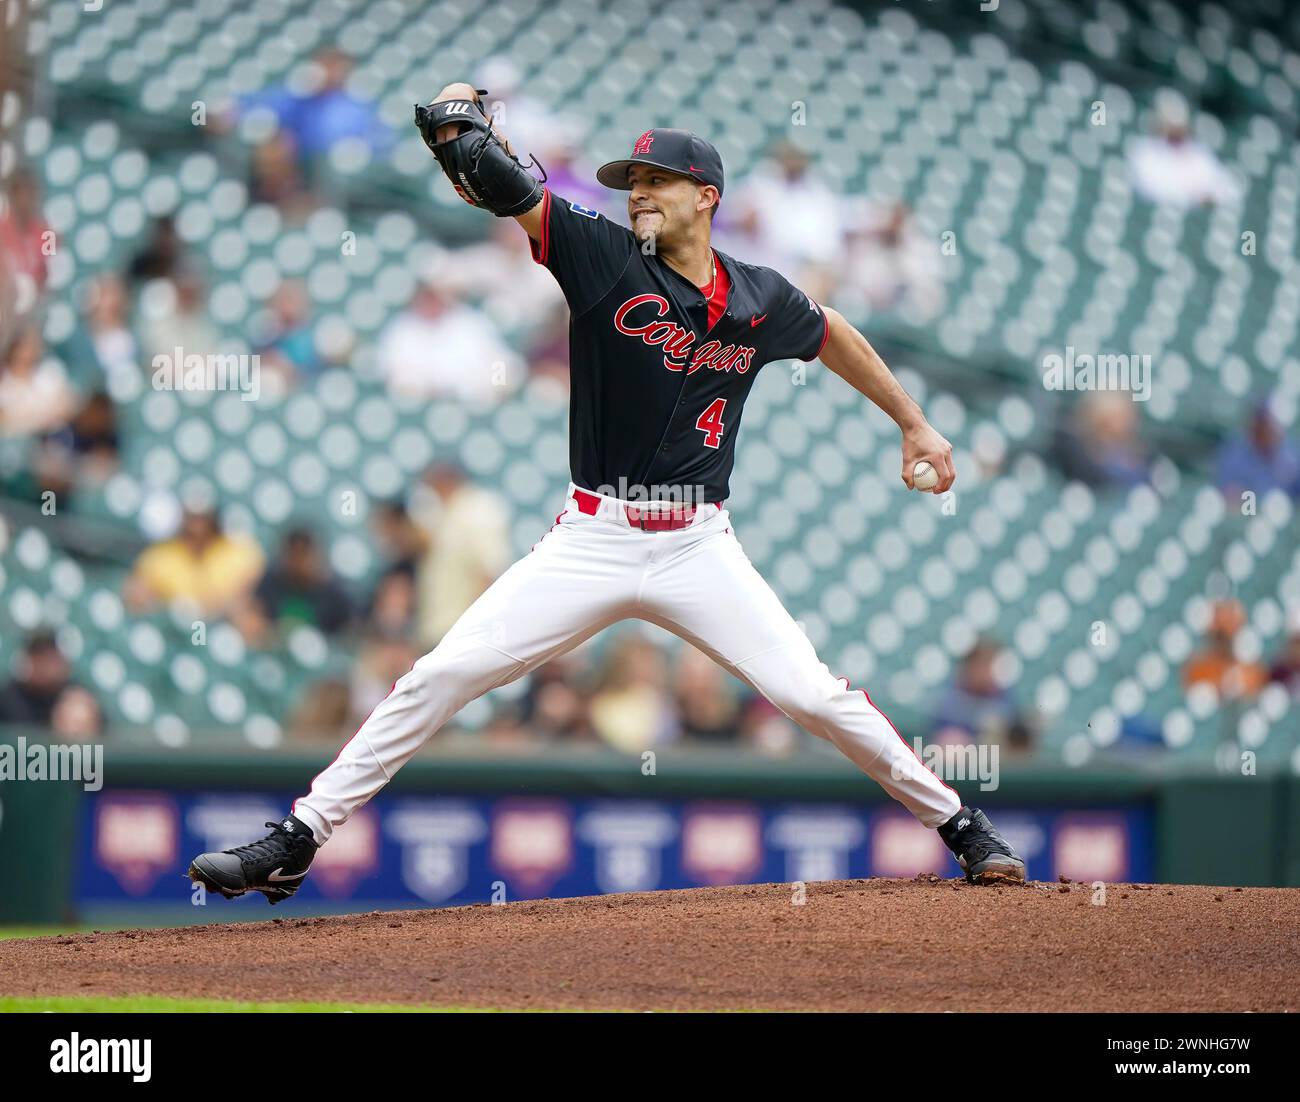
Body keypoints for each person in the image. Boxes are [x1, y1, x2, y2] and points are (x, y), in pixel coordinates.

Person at [189, 85, 1024, 905]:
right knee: (439, 675)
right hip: (594, 536)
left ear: (706, 197)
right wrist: (455, 120)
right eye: (631, 184)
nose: (638, 196)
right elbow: (505, 183)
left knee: (812, 694)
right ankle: (298, 839)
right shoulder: (601, 256)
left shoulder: (761, 296)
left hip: (699, 544)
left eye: (655, 182)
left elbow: (833, 331)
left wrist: (913, 423)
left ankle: (961, 826)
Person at [410, 463, 511, 643]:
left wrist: (476, 629)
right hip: (441, 630)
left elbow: (489, 571)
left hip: (464, 633)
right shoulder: (443, 513)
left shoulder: (477, 509)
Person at [125, 506, 264, 617]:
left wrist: (213, 609)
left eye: (202, 519)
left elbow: (248, 595)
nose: (197, 526)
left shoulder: (238, 551)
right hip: (174, 627)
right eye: (192, 519)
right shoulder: (161, 554)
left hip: (220, 624)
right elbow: (138, 592)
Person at [0, 632, 103, 738]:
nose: (46, 665)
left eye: (50, 657)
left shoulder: (73, 691)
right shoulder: (9, 698)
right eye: (39, 657)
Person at [1215, 401, 1300, 501]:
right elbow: (1230, 496)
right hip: (1249, 511)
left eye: (1270, 424)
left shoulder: (1291, 452)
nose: (1266, 430)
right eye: (1261, 423)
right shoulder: (1233, 455)